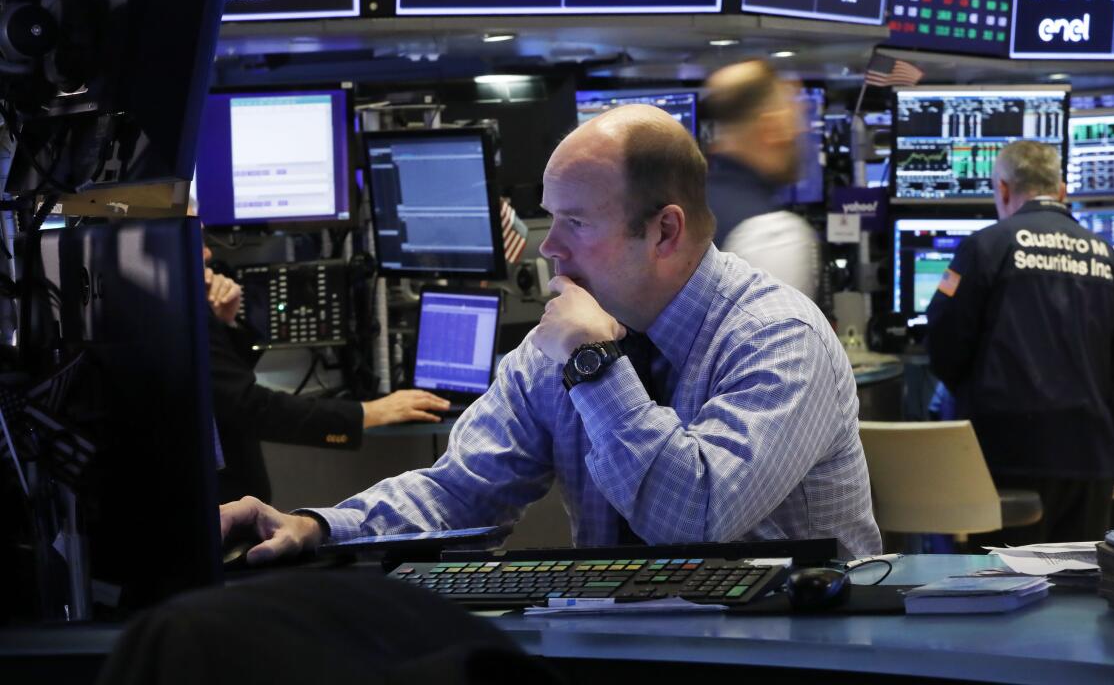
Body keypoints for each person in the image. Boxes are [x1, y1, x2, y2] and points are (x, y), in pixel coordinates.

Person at [219, 104, 881, 561]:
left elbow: (692, 521)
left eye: (576, 223)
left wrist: (596, 363)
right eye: (549, 220)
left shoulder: (776, 336)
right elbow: (460, 492)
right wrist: (317, 526)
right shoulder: (561, 342)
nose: (550, 250)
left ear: (665, 231)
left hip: (784, 656)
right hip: (624, 647)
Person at [926, 140, 1114, 543]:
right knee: (1078, 591)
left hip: (1004, 455)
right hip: (1090, 454)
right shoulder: (1112, 259)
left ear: (1004, 190)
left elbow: (942, 339)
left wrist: (975, 399)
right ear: (1061, 191)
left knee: (1005, 590)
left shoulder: (985, 247)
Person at [203, 245, 450, 503]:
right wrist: (369, 413)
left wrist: (224, 323)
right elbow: (248, 406)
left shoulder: (179, 309)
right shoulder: (178, 312)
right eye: (197, 237)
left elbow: (221, 387)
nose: (208, 253)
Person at [701, 59, 821, 300]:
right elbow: (780, 338)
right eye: (794, 120)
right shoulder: (772, 234)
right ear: (772, 127)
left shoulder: (687, 201)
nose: (800, 133)